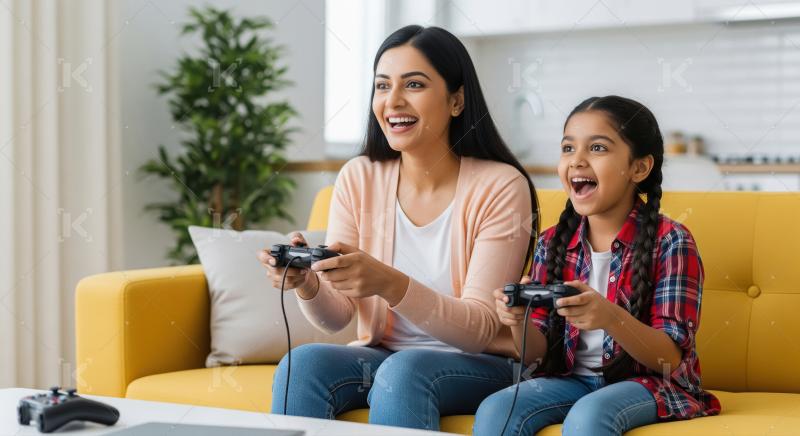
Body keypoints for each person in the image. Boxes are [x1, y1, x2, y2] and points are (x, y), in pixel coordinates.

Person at [258, 25, 539, 431]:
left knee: (405, 370)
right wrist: (307, 284)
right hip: (386, 358)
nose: (393, 101)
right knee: (302, 364)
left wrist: (389, 283)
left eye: (414, 84)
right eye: (383, 85)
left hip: (485, 364)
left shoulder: (500, 185)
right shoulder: (360, 177)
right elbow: (337, 317)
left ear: (457, 101)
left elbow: (480, 329)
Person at [474, 95, 721, 436]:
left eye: (598, 148)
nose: (577, 161)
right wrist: (518, 322)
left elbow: (670, 357)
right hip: (571, 380)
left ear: (639, 167)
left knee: (589, 416)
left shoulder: (671, 241)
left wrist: (611, 317)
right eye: (568, 148)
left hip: (651, 383)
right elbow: (537, 354)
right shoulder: (551, 243)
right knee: (497, 409)